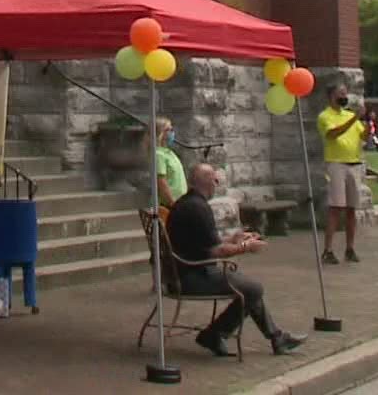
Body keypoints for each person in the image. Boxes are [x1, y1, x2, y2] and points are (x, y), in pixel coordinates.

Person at [167, 164, 307, 357]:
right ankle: (215, 334)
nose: (217, 185)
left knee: (247, 286)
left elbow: (204, 242)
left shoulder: (187, 203)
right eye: (216, 180)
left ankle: (276, 337)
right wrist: (246, 248)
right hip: (191, 275)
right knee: (253, 289)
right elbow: (218, 251)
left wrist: (234, 239)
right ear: (208, 182)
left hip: (184, 270)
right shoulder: (198, 209)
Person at [317, 82, 366, 264]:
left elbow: (363, 136)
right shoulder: (325, 116)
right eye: (341, 94)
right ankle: (328, 250)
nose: (344, 97)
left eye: (346, 93)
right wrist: (354, 119)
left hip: (354, 164)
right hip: (336, 165)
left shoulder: (350, 115)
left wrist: (367, 124)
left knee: (351, 209)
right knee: (336, 208)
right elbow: (333, 134)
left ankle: (350, 248)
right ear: (331, 96)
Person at [155, 117, 188, 208]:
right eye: (168, 130)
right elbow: (161, 182)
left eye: (172, 129)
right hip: (171, 204)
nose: (172, 132)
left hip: (181, 201)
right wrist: (171, 202)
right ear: (160, 133)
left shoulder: (169, 152)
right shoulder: (158, 154)